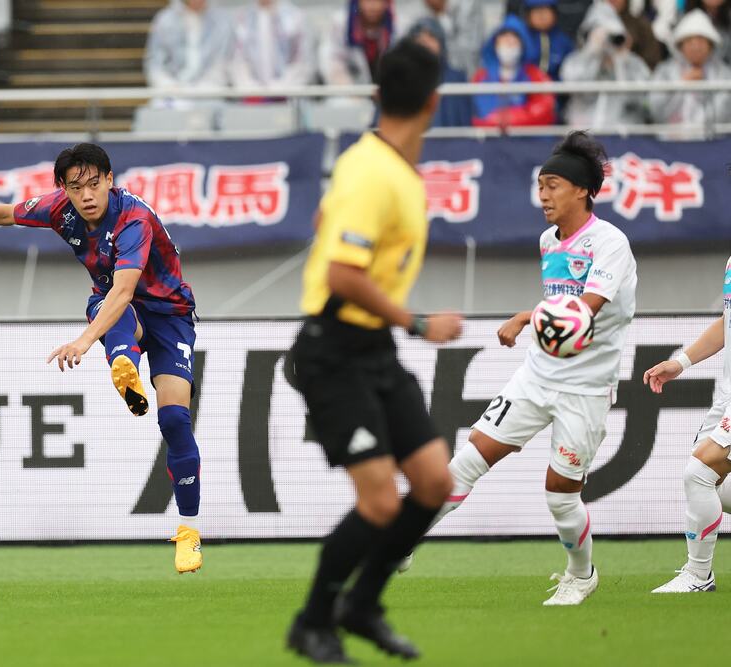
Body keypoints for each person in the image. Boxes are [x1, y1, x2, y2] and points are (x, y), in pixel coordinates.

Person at [0, 144, 204, 575]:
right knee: (110, 308)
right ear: (64, 189)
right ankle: (124, 364)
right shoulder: (60, 210)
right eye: (75, 187)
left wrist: (83, 341)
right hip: (117, 310)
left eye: (94, 184)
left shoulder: (133, 220)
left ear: (109, 180)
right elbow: (4, 214)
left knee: (175, 420)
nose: (86, 195)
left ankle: (189, 531)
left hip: (170, 316)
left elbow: (126, 288)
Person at [285, 39, 463, 664]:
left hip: (372, 347)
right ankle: (313, 621)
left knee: (434, 481)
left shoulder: (383, 168)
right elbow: (341, 274)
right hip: (333, 347)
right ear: (434, 103)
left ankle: (361, 606)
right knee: (382, 501)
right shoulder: (372, 171)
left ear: (376, 95)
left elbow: (324, 223)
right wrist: (418, 322)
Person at [422, 131, 637, 606]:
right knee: (469, 458)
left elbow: (583, 311)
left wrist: (524, 317)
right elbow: (561, 306)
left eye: (553, 185)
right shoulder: (548, 241)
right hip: (537, 375)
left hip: (585, 387)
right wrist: (535, 318)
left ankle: (581, 575)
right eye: (540, 186)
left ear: (582, 190)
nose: (543, 196)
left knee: (560, 494)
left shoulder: (610, 243)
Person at [644, 258, 731, 593]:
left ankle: (698, 575)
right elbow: (727, 321)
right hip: (726, 395)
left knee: (700, 472)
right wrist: (680, 362)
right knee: (716, 488)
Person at [560, 1, 651, 128]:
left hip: (624, 132)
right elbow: (573, 86)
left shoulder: (633, 63)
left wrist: (622, 63)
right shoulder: (575, 60)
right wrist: (591, 53)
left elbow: (639, 99)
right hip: (584, 132)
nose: (606, 42)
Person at [648, 9, 731, 127]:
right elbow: (655, 112)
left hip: (713, 137)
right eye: (689, 41)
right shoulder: (664, 71)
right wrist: (681, 85)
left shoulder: (724, 74)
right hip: (670, 137)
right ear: (680, 46)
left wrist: (703, 87)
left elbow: (724, 115)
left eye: (701, 41)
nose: (695, 47)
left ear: (711, 44)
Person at [471, 16, 557, 127]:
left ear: (523, 46)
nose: (509, 47)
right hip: (488, 136)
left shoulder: (535, 75)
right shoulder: (481, 76)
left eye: (513, 43)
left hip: (527, 136)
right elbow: (476, 112)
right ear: (495, 45)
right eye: (504, 42)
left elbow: (546, 108)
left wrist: (512, 118)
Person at [144, 0, 233, 92]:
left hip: (211, 90)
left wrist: (208, 86)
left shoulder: (222, 21)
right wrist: (168, 84)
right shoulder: (165, 20)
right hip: (173, 91)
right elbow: (155, 64)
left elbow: (225, 61)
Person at [229, 0, 315, 93]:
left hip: (288, 93)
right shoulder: (242, 19)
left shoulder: (296, 17)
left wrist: (281, 88)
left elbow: (302, 63)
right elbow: (237, 61)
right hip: (250, 95)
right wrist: (250, 88)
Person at [408, 18, 473, 126]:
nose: (426, 43)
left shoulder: (457, 79)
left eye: (431, 37)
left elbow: (465, 125)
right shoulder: (400, 80)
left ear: (441, 44)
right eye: (420, 39)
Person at [319, 0, 397, 85]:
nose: (373, 6)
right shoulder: (341, 24)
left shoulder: (397, 26)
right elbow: (331, 60)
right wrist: (348, 89)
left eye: (378, 1)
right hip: (351, 88)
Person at [399, 0, 484, 74]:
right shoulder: (414, 10)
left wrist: (440, 16)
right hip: (421, 75)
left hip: (459, 76)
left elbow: (466, 58)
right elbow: (402, 47)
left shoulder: (469, 6)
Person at [521, 0, 575, 79]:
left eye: (545, 11)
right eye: (537, 11)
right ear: (528, 15)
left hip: (556, 85)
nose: (541, 16)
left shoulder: (564, 41)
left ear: (554, 13)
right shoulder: (521, 38)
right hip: (525, 84)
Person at [607, 0, 663, 69]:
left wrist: (629, 56)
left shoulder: (640, 26)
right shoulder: (596, 24)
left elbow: (652, 62)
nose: (612, 0)